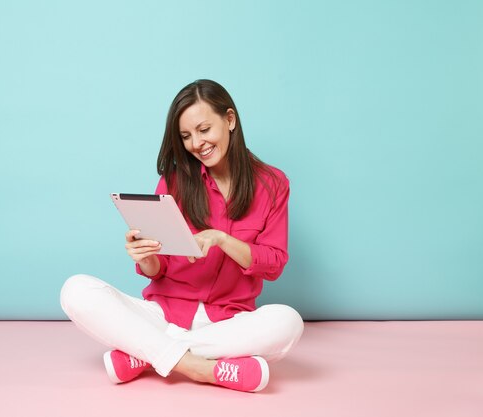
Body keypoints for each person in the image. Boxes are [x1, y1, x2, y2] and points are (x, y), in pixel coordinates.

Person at [60, 79, 303, 393]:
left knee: (289, 322)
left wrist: (223, 240)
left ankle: (148, 354)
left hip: (229, 323)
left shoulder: (272, 183)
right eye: (186, 136)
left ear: (229, 120)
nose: (196, 143)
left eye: (204, 129)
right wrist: (146, 258)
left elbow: (273, 264)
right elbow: (158, 269)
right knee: (75, 290)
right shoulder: (174, 180)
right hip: (163, 313)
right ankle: (201, 368)